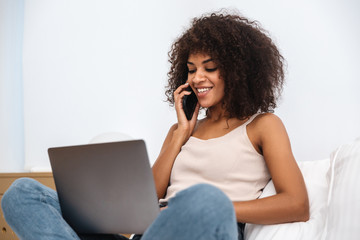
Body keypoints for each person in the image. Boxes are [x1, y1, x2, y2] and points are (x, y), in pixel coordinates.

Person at [1, 11, 309, 240]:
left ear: (239, 71)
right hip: (152, 231)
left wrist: (211, 204)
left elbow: (297, 204)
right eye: (190, 70)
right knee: (21, 193)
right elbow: (147, 202)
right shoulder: (180, 131)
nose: (196, 79)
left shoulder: (263, 125)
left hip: (207, 226)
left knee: (205, 198)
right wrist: (179, 137)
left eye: (210, 68)